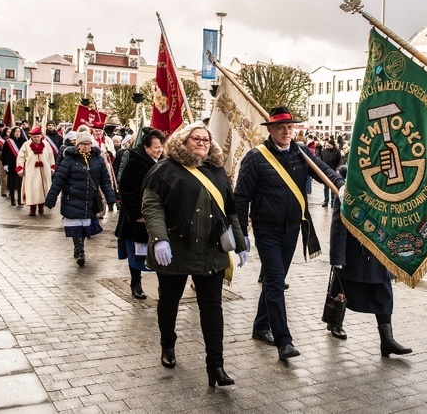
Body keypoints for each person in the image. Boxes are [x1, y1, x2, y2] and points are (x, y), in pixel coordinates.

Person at [234, 106, 344, 360]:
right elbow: (241, 197)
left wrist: (340, 185)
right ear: (270, 130)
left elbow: (322, 171)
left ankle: (261, 326)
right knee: (275, 281)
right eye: (281, 127)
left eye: (290, 127)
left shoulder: (301, 152)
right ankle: (284, 340)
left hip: (293, 227)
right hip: (266, 229)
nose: (286, 131)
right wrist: (241, 233)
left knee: (276, 278)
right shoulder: (255, 157)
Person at [142, 122, 247, 384]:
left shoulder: (217, 171)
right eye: (195, 138)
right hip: (175, 248)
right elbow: (152, 205)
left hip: (210, 251)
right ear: (183, 141)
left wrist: (241, 242)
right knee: (169, 302)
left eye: (206, 139)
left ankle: (216, 366)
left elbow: (230, 210)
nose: (201, 142)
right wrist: (158, 239)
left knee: (212, 308)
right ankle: (167, 343)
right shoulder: (166, 169)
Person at [328, 165, 412, 356]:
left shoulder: (385, 188)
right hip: (353, 252)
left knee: (383, 292)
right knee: (341, 287)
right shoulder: (347, 190)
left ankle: (387, 340)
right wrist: (338, 257)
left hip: (379, 250)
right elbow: (338, 225)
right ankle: (334, 322)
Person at [46, 131, 116, 266]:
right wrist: (51, 198)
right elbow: (59, 179)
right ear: (78, 145)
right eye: (83, 144)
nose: (86, 147)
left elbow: (105, 180)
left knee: (84, 226)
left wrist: (111, 197)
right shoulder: (70, 159)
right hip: (72, 197)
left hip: (89, 199)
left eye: (89, 144)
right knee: (75, 225)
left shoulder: (97, 159)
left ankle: (79, 247)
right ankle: (80, 251)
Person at [114, 129, 165, 299]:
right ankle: (136, 282)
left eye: (161, 146)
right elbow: (126, 190)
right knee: (137, 252)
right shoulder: (135, 163)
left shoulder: (165, 163)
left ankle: (162, 286)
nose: (159, 150)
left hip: (158, 217)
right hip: (137, 217)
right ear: (146, 147)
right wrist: (137, 213)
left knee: (160, 252)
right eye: (155, 147)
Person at [16, 126, 56, 216]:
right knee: (32, 188)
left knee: (43, 188)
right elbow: (20, 157)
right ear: (31, 137)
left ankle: (41, 206)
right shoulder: (26, 145)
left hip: (44, 171)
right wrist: (20, 168)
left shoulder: (46, 144)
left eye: (38, 137)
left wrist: (52, 167)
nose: (36, 139)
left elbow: (51, 156)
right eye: (34, 137)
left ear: (41, 136)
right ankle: (32, 208)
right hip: (31, 172)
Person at [2, 127, 25, 206]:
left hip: (21, 166)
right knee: (11, 183)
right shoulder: (8, 142)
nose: (18, 133)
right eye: (16, 131)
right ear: (13, 133)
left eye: (19, 131)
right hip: (11, 165)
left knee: (20, 183)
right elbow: (4, 154)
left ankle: (20, 200)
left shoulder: (24, 142)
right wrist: (5, 164)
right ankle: (12, 199)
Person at [320, 139, 342, 207]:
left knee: (333, 187)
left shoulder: (337, 152)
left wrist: (337, 168)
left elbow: (339, 160)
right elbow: (321, 159)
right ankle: (326, 201)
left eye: (329, 144)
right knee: (325, 187)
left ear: (332, 144)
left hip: (333, 170)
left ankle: (332, 202)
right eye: (327, 143)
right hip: (325, 171)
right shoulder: (324, 151)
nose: (328, 145)